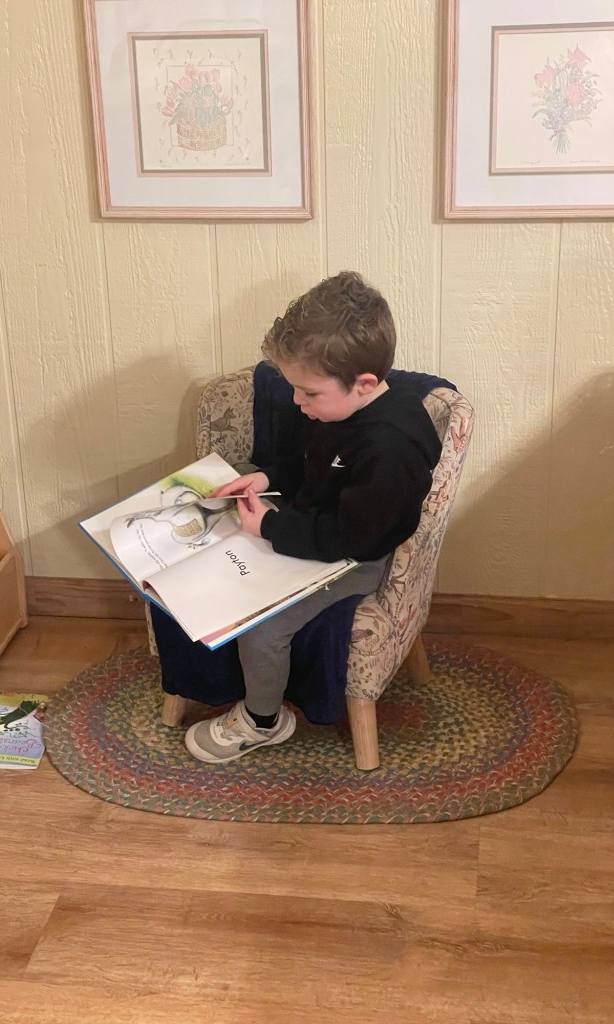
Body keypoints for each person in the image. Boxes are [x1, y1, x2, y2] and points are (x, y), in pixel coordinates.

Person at [184, 271, 442, 764]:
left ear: (364, 384)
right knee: (227, 488)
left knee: (262, 628)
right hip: (314, 520)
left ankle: (262, 721)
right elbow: (312, 464)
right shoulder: (341, 411)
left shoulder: (391, 449)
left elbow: (354, 537)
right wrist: (266, 478)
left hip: (354, 556)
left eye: (308, 393)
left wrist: (270, 527)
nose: (297, 404)